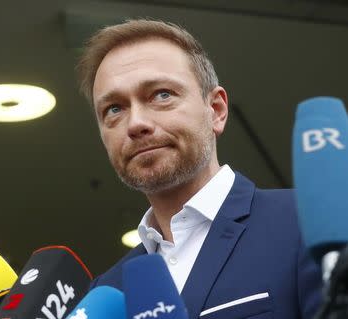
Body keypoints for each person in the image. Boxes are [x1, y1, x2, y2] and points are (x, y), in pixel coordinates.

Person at [76, 19, 322, 319]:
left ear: (216, 110)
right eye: (114, 109)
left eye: (161, 94)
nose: (136, 123)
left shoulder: (308, 223)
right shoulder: (106, 295)